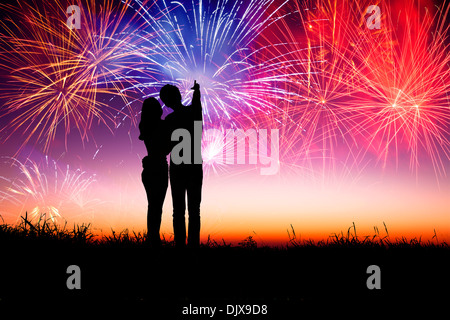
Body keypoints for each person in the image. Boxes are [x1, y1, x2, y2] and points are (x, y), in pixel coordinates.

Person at [160, 81, 203, 248]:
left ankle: (180, 247)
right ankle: (193, 247)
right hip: (194, 166)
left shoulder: (169, 120)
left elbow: (166, 147)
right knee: (194, 211)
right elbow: (197, 105)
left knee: (178, 211)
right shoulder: (194, 112)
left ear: (167, 103)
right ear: (178, 96)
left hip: (178, 167)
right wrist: (197, 92)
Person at [139, 97, 170, 247]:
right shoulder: (162, 125)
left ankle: (152, 238)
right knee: (157, 206)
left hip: (148, 168)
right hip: (159, 167)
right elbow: (166, 148)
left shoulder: (144, 125)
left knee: (153, 205)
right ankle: (153, 239)